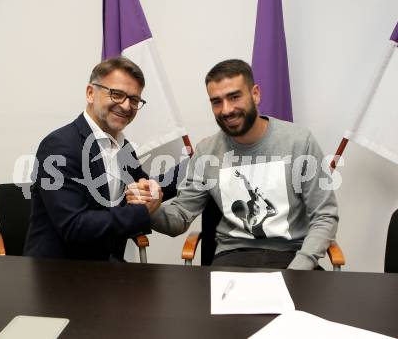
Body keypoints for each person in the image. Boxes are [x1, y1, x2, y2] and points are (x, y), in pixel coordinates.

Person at [126, 59, 338, 270]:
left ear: (255, 94)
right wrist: (151, 210)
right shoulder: (206, 151)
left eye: (234, 97)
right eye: (216, 101)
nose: (226, 110)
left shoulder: (299, 141)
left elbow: (325, 216)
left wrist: (300, 267)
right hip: (233, 260)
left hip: (292, 259)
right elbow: (180, 218)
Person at [24, 56, 169, 261]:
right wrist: (142, 211)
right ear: (90, 93)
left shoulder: (122, 147)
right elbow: (74, 226)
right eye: (117, 94)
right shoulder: (59, 146)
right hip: (58, 275)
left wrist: (196, 162)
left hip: (106, 269)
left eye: (134, 100)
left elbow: (145, 185)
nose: (127, 106)